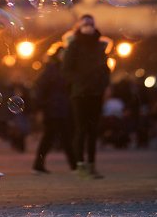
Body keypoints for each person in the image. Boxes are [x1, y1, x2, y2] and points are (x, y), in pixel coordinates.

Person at [62, 14, 110, 178]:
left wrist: (103, 83)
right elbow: (66, 70)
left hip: (96, 92)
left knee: (93, 130)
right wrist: (80, 81)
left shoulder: (99, 45)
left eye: (91, 24)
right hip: (80, 93)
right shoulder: (74, 45)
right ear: (79, 26)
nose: (88, 27)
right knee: (81, 129)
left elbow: (106, 68)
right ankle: (80, 165)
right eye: (85, 24)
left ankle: (92, 165)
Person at [32, 45, 76, 173]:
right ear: (57, 55)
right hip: (52, 110)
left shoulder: (67, 69)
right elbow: (40, 89)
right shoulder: (51, 70)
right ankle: (74, 165)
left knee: (56, 138)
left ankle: (38, 165)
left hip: (62, 109)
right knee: (57, 138)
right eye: (62, 53)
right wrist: (41, 107)